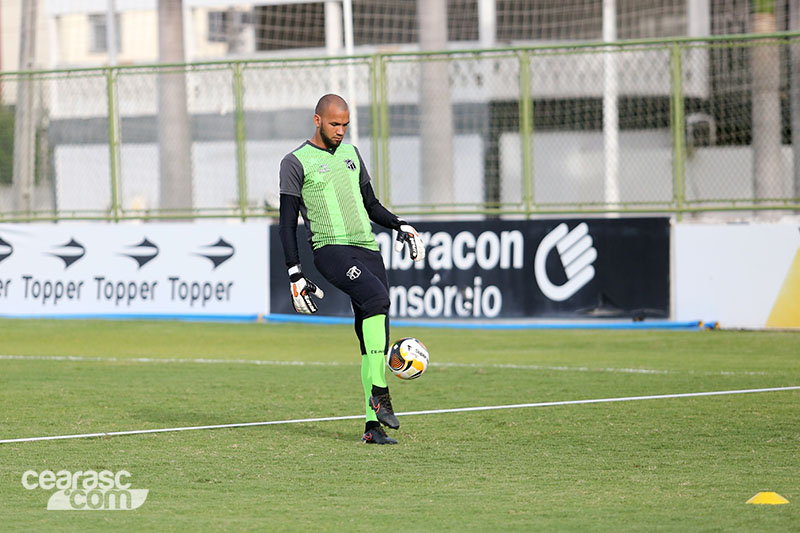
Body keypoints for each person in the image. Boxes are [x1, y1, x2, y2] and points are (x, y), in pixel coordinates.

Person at [278, 94, 425, 445]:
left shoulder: (352, 154)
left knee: (372, 340)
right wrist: (294, 272)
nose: (340, 130)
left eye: (345, 124)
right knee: (378, 298)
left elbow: (370, 204)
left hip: (368, 249)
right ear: (317, 120)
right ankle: (380, 391)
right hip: (330, 250)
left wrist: (399, 224)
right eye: (333, 124)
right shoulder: (295, 161)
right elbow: (286, 225)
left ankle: (372, 428)